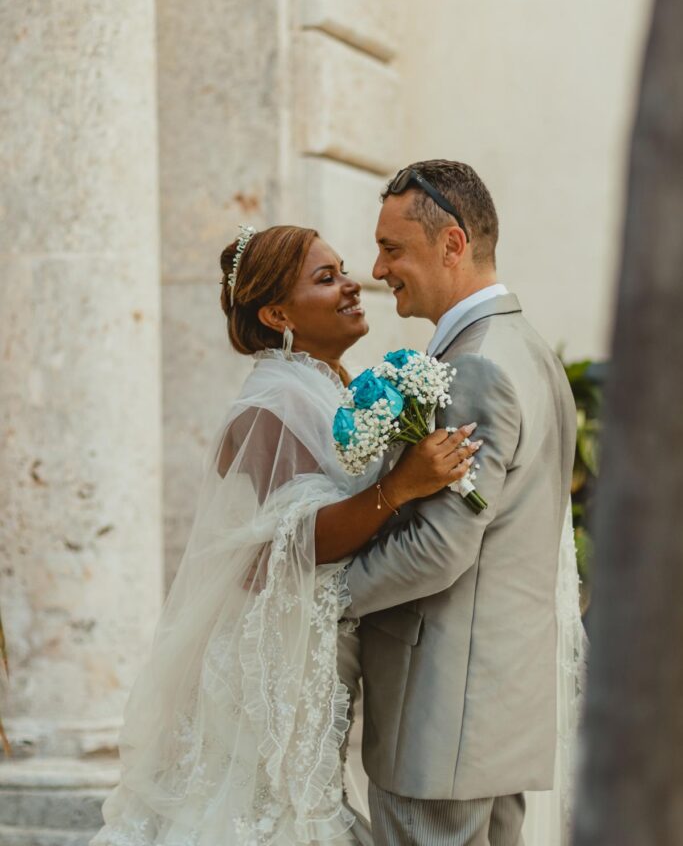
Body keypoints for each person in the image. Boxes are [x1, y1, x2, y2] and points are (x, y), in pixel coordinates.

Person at [91, 224, 479, 846]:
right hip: (267, 674)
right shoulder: (268, 406)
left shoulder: (330, 388)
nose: (353, 285)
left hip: (315, 655)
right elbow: (293, 541)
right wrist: (399, 488)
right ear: (276, 313)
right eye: (326, 280)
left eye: (344, 270)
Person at [343, 160, 584, 846]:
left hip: (441, 716)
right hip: (493, 714)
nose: (377, 267)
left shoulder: (477, 366)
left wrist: (325, 593)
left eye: (392, 249)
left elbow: (439, 547)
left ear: (451, 243)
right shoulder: (528, 351)